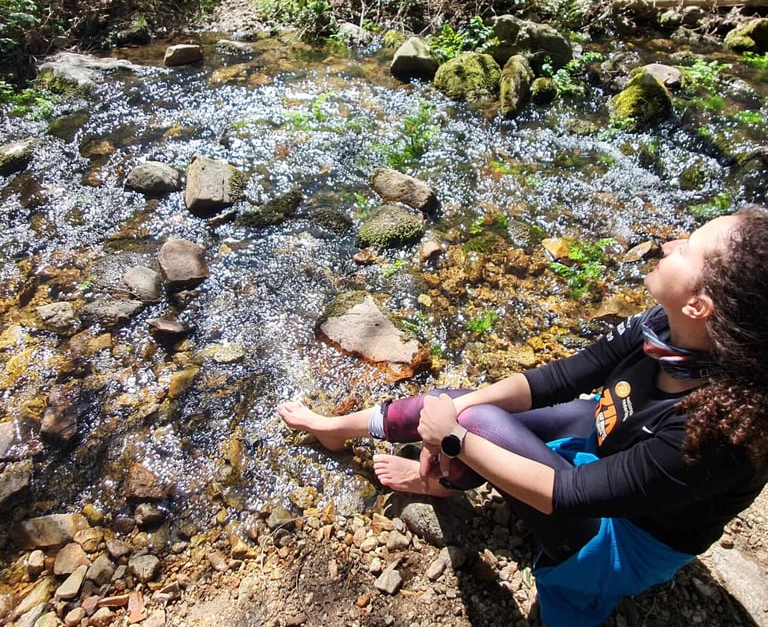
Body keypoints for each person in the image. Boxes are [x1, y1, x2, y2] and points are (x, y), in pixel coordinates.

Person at [277, 208, 768, 626]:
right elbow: (562, 377)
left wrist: (452, 439)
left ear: (699, 305)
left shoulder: (715, 432)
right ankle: (339, 428)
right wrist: (457, 410)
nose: (668, 243)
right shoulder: (666, 326)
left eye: (686, 250)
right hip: (609, 440)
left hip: (631, 535)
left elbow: (566, 495)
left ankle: (444, 479)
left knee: (472, 429)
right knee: (464, 407)